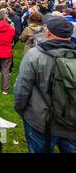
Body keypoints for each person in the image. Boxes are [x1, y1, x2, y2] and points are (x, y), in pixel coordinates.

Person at [14, 16, 76, 153]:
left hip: (40, 120)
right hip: (71, 120)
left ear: (47, 32)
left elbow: (22, 88)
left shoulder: (34, 55)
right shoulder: (36, 55)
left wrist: (20, 109)